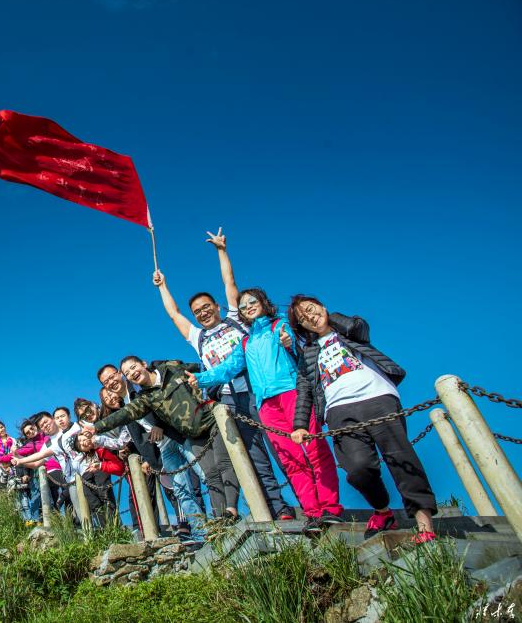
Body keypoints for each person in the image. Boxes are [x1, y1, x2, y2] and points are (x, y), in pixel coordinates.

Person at [152, 228, 292, 520]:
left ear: (217, 306)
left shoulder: (234, 319)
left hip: (257, 390)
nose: (202, 313)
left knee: (282, 446)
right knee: (253, 456)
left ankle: (305, 503)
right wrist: (162, 286)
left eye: (206, 307)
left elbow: (230, 282)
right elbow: (174, 313)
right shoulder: (197, 337)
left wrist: (221, 250)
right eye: (197, 311)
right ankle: (276, 508)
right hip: (227, 401)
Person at [189, 288, 344, 532]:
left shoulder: (280, 324)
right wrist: (200, 379)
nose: (248, 307)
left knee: (314, 449)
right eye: (243, 306)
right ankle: (313, 513)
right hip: (266, 404)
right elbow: (228, 368)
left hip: (291, 392)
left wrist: (288, 342)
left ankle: (330, 507)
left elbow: (296, 344)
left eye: (252, 302)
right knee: (290, 458)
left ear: (263, 302)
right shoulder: (246, 341)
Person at [289, 296, 437, 543]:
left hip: (379, 398)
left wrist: (329, 318)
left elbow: (358, 326)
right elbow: (304, 390)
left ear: (322, 306)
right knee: (357, 469)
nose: (311, 317)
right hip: (338, 411)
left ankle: (425, 527)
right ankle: (382, 511)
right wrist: (300, 425)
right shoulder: (308, 354)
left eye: (311, 310)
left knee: (401, 459)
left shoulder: (349, 331)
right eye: (303, 319)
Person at [86, 357, 240, 542]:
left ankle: (226, 516)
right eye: (106, 382)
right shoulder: (124, 404)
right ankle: (203, 533)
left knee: (207, 473)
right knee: (181, 490)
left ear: (120, 374)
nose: (111, 382)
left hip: (179, 435)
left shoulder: (140, 387)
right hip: (163, 448)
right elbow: (132, 426)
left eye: (113, 376)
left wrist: (159, 425)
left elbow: (164, 396)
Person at [12, 408, 84, 522]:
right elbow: (37, 462)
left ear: (52, 418)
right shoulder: (49, 444)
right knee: (80, 510)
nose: (45, 425)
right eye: (42, 426)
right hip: (71, 479)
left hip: (87, 471)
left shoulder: (72, 427)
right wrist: (19, 459)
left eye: (46, 421)